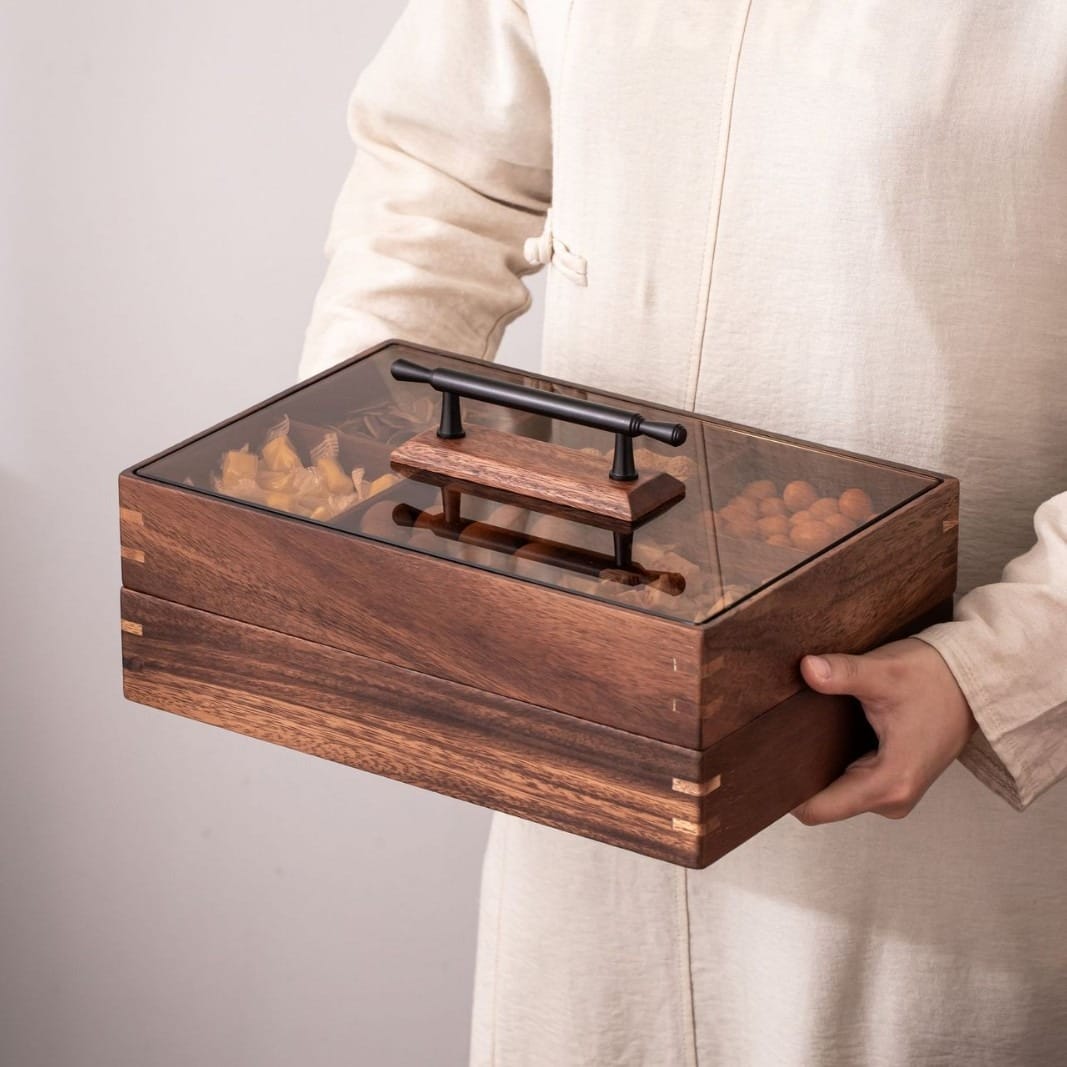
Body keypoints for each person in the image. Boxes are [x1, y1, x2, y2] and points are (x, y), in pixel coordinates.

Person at [299, 3, 1067, 1063]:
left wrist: (998, 665)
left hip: (922, 758)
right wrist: (369, 450)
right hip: (591, 709)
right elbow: (441, 175)